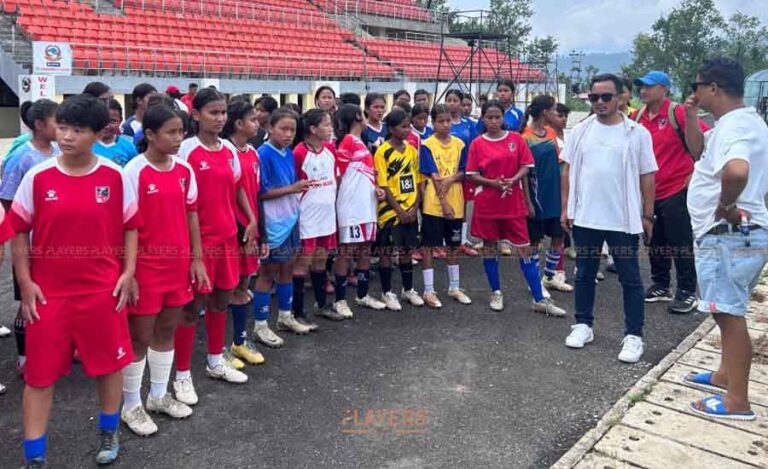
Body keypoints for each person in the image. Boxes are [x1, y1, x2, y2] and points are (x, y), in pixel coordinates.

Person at [10, 95, 140, 466]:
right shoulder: (38, 177)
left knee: (108, 367)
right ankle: (34, 456)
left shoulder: (114, 176)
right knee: (39, 377)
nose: (66, 136)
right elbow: (17, 230)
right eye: (63, 128)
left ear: (98, 134)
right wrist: (26, 283)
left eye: (78, 130)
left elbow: (131, 226)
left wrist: (128, 272)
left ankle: (109, 430)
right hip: (48, 295)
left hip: (102, 292)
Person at [685, 57, 768, 421]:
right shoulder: (744, 123)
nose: (694, 92)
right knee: (728, 310)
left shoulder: (735, 126)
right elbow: (698, 152)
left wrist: (727, 206)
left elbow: (736, 171)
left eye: (697, 86)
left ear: (713, 87)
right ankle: (724, 375)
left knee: (729, 316)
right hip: (739, 236)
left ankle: (737, 401)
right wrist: (691, 115)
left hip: (728, 236)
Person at [120, 103, 206, 436]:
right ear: (150, 134)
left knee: (166, 331)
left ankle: (158, 395)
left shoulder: (184, 170)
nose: (178, 138)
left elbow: (191, 214)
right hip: (146, 269)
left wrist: (196, 259)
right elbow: (125, 226)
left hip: (177, 267)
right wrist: (129, 272)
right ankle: (131, 405)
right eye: (171, 132)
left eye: (181, 131)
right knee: (139, 338)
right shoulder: (133, 172)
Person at [561, 73, 657, 363]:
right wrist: (566, 208)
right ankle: (583, 324)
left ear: (621, 97)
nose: (600, 102)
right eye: (594, 97)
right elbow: (567, 170)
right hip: (586, 217)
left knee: (630, 278)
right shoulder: (580, 131)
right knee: (584, 273)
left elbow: (647, 175)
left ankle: (634, 335)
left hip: (623, 219)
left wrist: (647, 215)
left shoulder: (637, 133)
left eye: (606, 97)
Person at [173, 88, 255, 407]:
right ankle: (182, 375)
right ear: (196, 115)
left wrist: (249, 219)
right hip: (198, 244)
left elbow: (237, 188)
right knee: (191, 309)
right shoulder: (186, 151)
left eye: (223, 112)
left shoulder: (229, 150)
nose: (220, 118)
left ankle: (215, 361)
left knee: (222, 300)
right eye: (213, 112)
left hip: (227, 240)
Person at [467, 100, 565, 317]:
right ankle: (496, 292)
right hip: (488, 205)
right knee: (490, 247)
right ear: (483, 118)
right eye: (489, 117)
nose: (494, 121)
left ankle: (539, 298)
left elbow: (526, 167)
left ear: (503, 118)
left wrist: (513, 180)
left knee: (524, 248)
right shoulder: (477, 144)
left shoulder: (516, 139)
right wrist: (492, 183)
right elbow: (471, 174)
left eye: (497, 117)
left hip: (513, 204)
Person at [633, 70, 708, 313]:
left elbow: (707, 141)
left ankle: (687, 290)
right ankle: (661, 284)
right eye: (641, 86)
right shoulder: (638, 117)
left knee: (680, 241)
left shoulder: (678, 113)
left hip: (677, 188)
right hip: (649, 191)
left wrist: (696, 172)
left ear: (664, 89)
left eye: (649, 86)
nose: (643, 90)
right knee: (654, 239)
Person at [0, 99, 60, 380]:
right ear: (39, 124)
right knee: (27, 300)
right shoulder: (22, 158)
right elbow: (7, 201)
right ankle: (25, 357)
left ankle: (56, 349)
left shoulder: (60, 153)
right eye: (57, 122)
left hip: (58, 244)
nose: (63, 128)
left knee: (54, 298)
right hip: (30, 245)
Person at [252, 108, 314, 345]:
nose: (288, 134)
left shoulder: (288, 152)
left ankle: (285, 317)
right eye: (283, 129)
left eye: (292, 130)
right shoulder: (263, 154)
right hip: (272, 223)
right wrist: (293, 189)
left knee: (288, 267)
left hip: (290, 219)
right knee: (268, 272)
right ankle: (260, 326)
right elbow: (260, 193)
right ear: (270, 128)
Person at [221, 100, 269, 368]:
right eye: (253, 119)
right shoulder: (225, 152)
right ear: (238, 123)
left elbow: (256, 195)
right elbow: (224, 198)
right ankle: (218, 349)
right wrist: (243, 233)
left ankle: (239, 341)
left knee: (242, 286)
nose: (257, 124)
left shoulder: (253, 153)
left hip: (250, 231)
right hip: (233, 232)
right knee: (223, 291)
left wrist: (261, 233)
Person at [332, 105, 387, 316]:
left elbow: (363, 174)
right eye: (363, 114)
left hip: (367, 204)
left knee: (365, 248)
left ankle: (362, 295)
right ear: (357, 117)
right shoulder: (348, 140)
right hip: (351, 206)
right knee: (346, 251)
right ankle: (340, 300)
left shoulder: (360, 141)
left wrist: (375, 188)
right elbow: (339, 174)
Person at [292, 109, 343, 322]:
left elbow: (335, 178)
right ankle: (296, 312)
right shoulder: (299, 153)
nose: (331, 128)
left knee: (321, 260)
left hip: (326, 216)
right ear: (313, 129)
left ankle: (321, 305)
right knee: (302, 263)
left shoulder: (330, 149)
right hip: (307, 217)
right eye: (327, 124)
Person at [419, 104, 472, 308]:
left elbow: (464, 171)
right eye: (440, 121)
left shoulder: (460, 144)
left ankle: (454, 287)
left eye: (448, 120)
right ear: (433, 123)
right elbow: (433, 176)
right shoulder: (427, 145)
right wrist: (444, 203)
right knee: (429, 246)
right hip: (434, 204)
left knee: (453, 246)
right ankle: (428, 290)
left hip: (456, 201)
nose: (445, 124)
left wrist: (450, 179)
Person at [520, 95, 572, 294]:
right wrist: (528, 202)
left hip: (555, 194)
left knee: (558, 236)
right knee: (535, 240)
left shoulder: (550, 133)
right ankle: (534, 282)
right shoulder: (525, 138)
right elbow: (524, 172)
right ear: (545, 112)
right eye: (553, 110)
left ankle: (549, 276)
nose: (557, 114)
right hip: (536, 196)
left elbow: (560, 161)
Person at [374, 109, 424, 310]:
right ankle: (387, 292)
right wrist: (399, 211)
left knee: (407, 250)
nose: (407, 130)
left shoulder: (412, 151)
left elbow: (418, 180)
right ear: (392, 129)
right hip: (390, 211)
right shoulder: (382, 151)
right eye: (403, 127)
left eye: (409, 126)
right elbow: (383, 184)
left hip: (410, 210)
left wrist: (415, 207)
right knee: (386, 251)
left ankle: (408, 289)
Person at [93, 99, 139, 167]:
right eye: (102, 120)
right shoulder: (87, 145)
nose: (107, 126)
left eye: (112, 121)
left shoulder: (129, 146)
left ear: (120, 121)